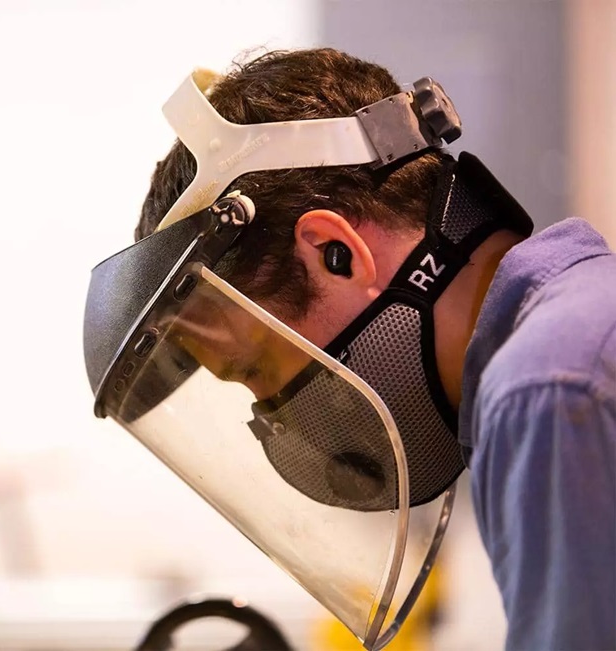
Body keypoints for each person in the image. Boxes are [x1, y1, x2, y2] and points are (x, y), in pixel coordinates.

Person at [85, 48, 615, 649]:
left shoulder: (546, 393)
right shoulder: (576, 334)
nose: (279, 416)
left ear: (333, 254)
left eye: (257, 369)